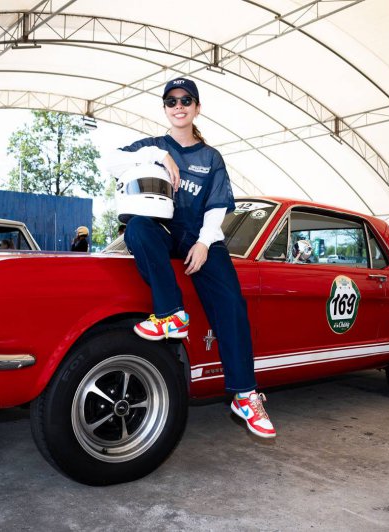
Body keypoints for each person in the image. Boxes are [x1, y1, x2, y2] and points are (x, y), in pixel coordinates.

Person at [107, 77, 275, 438]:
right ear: (165, 108)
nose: (178, 106)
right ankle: (171, 314)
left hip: (201, 236)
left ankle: (245, 395)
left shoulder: (210, 157)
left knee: (232, 303)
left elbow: (216, 207)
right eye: (171, 101)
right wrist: (158, 156)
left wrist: (203, 243)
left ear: (197, 108)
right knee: (137, 227)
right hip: (165, 230)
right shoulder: (154, 145)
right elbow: (110, 161)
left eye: (186, 100)